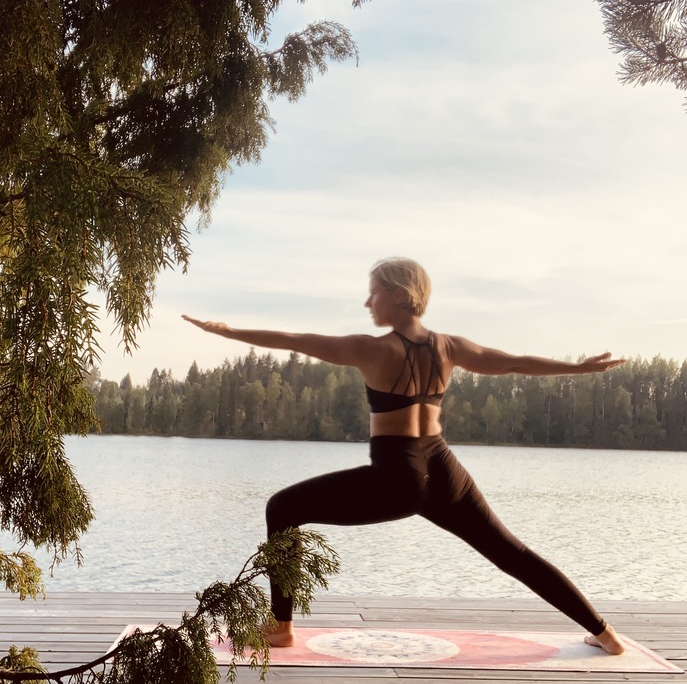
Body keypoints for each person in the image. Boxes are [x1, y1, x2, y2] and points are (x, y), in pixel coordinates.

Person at [182, 256, 626, 655]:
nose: (367, 302)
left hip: (397, 475)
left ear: (398, 294)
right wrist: (578, 368)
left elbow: (295, 340)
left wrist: (228, 331)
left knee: (282, 508)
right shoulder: (450, 347)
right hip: (445, 470)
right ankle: (605, 634)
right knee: (511, 552)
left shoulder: (372, 349)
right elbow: (514, 363)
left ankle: (281, 627)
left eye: (373, 292)